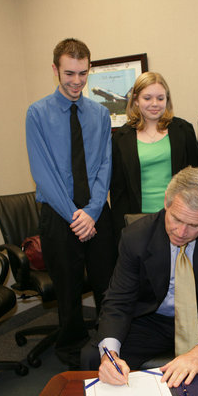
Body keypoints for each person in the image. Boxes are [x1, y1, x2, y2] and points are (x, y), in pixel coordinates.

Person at [81, 166, 198, 387]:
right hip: (152, 320)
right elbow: (118, 301)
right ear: (166, 203)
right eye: (176, 219)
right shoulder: (135, 237)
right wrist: (109, 355)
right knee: (93, 356)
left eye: (194, 225)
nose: (181, 232)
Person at [26, 38, 116, 368]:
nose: (76, 81)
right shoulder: (37, 113)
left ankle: (110, 346)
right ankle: (72, 355)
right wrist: (74, 215)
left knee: (107, 285)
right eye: (69, 73)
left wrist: (91, 212)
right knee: (68, 290)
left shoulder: (100, 114)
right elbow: (42, 172)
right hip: (58, 214)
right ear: (55, 70)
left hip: (95, 213)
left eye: (83, 73)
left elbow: (104, 165)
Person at [110, 71, 198, 242]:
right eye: (147, 98)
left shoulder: (183, 130)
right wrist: (122, 229)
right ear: (136, 100)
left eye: (160, 98)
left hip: (179, 220)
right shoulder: (122, 137)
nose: (154, 104)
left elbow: (196, 179)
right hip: (138, 221)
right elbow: (118, 191)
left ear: (167, 100)